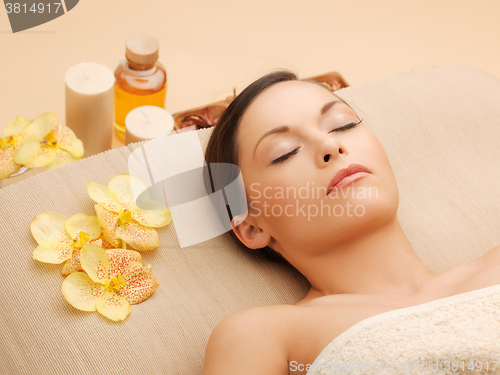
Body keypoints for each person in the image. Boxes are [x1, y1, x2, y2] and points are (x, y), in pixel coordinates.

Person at [202, 71, 500, 375]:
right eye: (285, 153)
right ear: (252, 227)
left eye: (342, 125)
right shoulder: (265, 336)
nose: (330, 145)